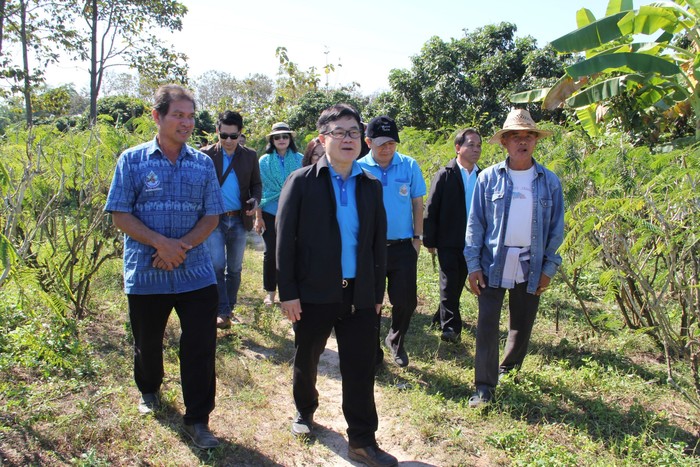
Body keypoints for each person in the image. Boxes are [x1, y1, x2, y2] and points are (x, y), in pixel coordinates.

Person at [276, 104, 397, 467]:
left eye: (354, 132)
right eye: (340, 132)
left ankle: (362, 441)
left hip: (359, 293)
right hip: (313, 292)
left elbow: (377, 243)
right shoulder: (301, 181)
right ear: (322, 138)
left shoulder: (370, 184)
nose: (348, 139)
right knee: (308, 356)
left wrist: (376, 294)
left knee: (360, 368)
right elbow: (284, 241)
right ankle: (304, 409)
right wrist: (288, 293)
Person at [104, 84, 224, 449]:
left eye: (191, 116)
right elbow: (120, 213)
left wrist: (180, 247)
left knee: (200, 347)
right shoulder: (132, 160)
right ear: (157, 116)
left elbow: (212, 216)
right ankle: (149, 388)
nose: (186, 123)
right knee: (148, 342)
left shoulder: (202, 163)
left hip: (196, 272)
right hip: (146, 272)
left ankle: (198, 419)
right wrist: (161, 244)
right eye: (178, 115)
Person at [465, 109, 564, 408]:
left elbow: (556, 228)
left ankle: (509, 367)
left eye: (528, 136)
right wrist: (473, 265)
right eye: (515, 137)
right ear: (504, 143)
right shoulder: (488, 178)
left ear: (535, 141)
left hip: (531, 263)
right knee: (486, 324)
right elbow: (476, 223)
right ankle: (484, 387)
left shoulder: (549, 181)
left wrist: (549, 267)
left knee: (522, 322)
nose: (523, 142)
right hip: (493, 262)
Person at [358, 115, 426, 368]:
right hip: (370, 249)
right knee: (370, 303)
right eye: (381, 143)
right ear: (368, 142)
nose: (387, 148)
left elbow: (417, 203)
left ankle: (396, 340)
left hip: (403, 246)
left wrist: (417, 239)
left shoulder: (408, 165)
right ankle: (372, 351)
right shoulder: (358, 168)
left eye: (392, 143)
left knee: (406, 302)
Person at [201, 111, 262, 329]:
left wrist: (255, 200)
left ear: (240, 133)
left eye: (233, 136)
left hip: (238, 219)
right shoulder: (205, 155)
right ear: (217, 131)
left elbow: (256, 184)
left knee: (234, 268)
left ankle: (228, 307)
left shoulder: (250, 156)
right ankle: (222, 310)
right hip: (214, 219)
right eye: (224, 135)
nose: (228, 140)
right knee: (217, 265)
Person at [424, 128, 482, 343]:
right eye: (471, 145)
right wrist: (429, 239)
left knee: (458, 283)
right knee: (449, 282)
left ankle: (440, 316)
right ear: (458, 147)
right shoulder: (445, 174)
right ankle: (451, 327)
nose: (476, 149)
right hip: (448, 239)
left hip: (473, 241)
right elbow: (432, 207)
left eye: (479, 145)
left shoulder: (483, 176)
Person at [255, 122, 303, 306]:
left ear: (290, 139)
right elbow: (259, 190)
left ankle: (292, 291)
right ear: (272, 140)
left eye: (285, 136)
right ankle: (270, 292)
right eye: (277, 137)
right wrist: (258, 217)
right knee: (271, 253)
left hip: (294, 213)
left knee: (294, 252)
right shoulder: (263, 161)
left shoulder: (300, 159)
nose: (281, 140)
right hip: (270, 212)